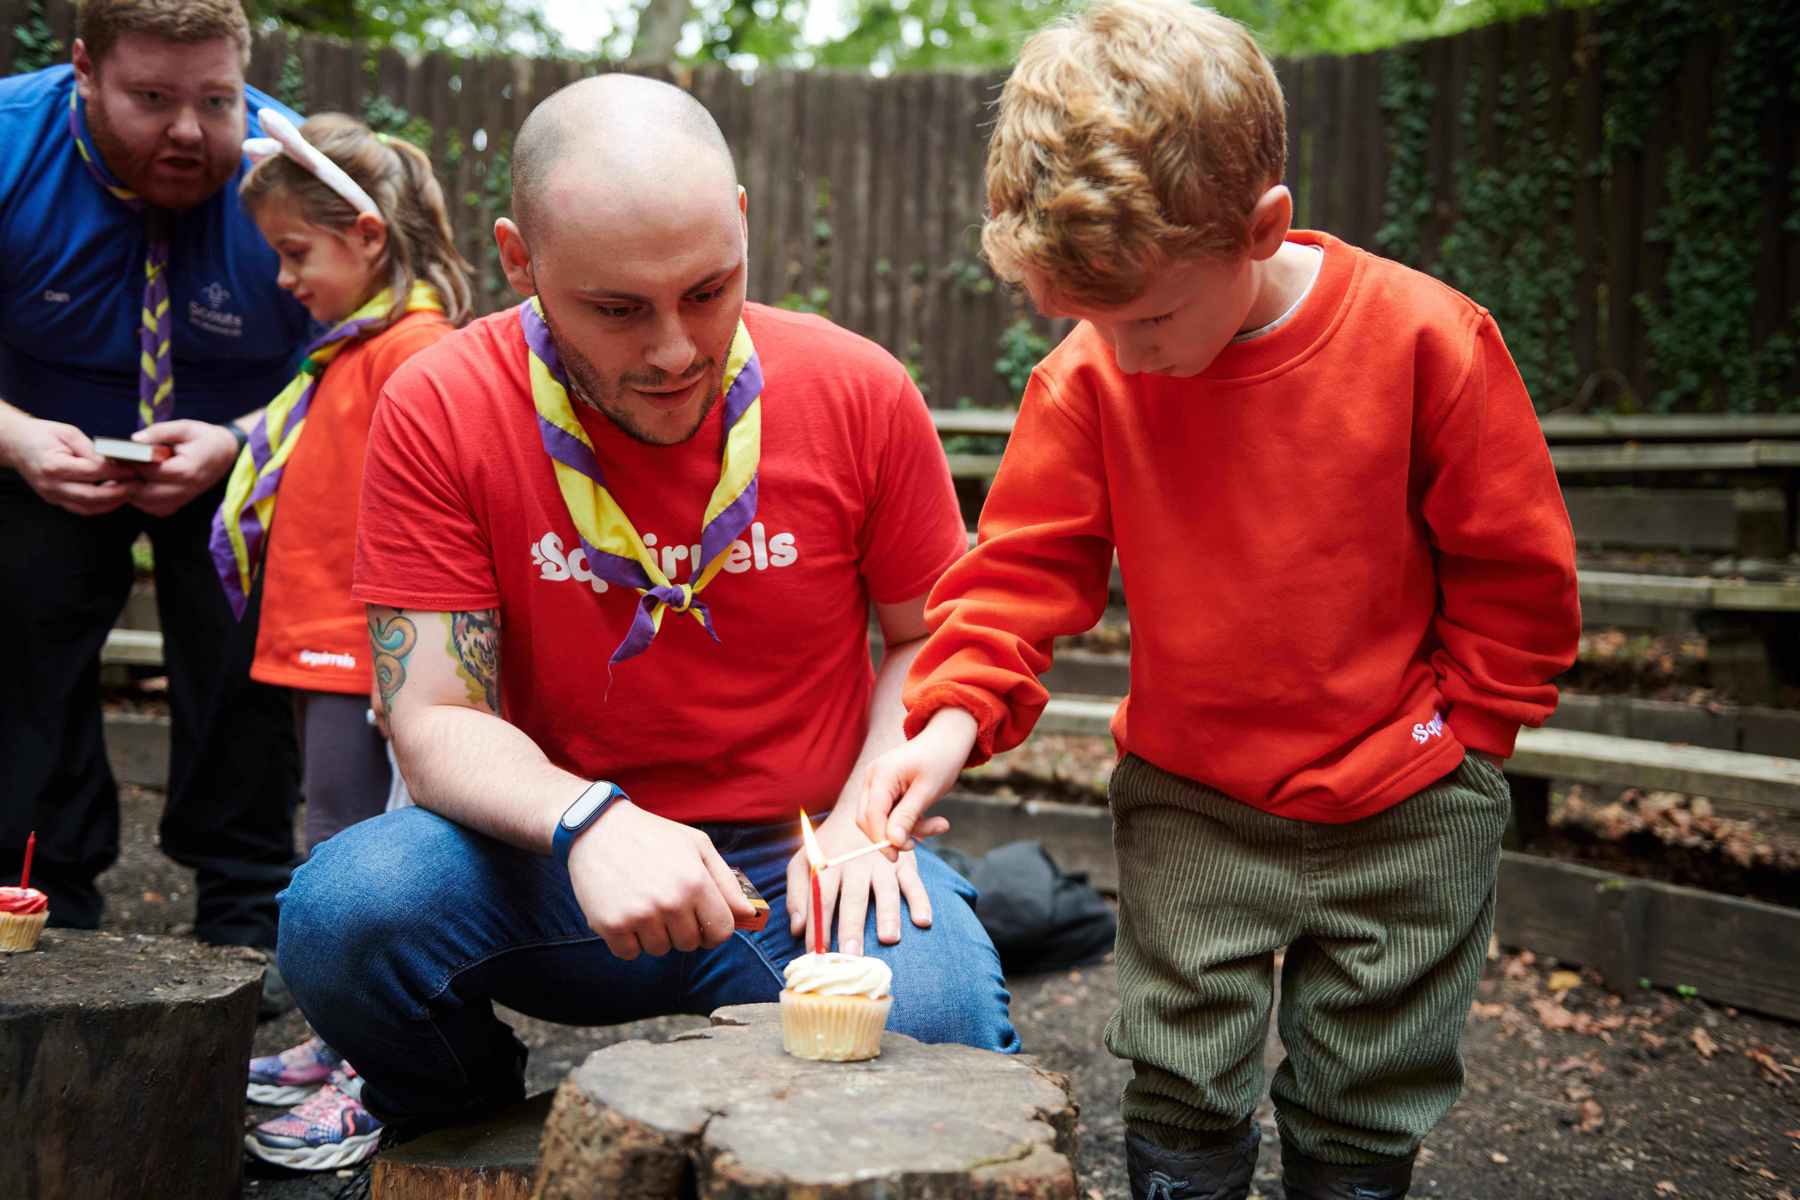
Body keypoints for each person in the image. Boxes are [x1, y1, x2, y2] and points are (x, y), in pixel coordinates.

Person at [857, 3, 1582, 1198]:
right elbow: (1022, 577)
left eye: (1147, 317)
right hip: (1195, 799)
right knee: (1181, 1074)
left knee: (1370, 1083)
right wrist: (945, 728)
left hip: (1407, 794)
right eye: (1085, 319)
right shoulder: (1091, 377)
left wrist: (1471, 738)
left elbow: (1517, 569)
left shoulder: (1427, 343)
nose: (1123, 353)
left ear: (1263, 227)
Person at [274, 73, 1018, 1153]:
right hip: (546, 858)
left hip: (798, 859)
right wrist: (589, 821)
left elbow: (924, 635)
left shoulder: (859, 388)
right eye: (618, 309)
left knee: (941, 1033)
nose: (675, 349)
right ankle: (471, 1133)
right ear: (520, 261)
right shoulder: (440, 403)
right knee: (344, 917)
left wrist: (868, 808)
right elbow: (430, 714)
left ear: (742, 226)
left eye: (709, 290)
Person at [0, 0, 309, 966]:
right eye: (152, 98)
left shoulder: (296, 171)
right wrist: (13, 441)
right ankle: (44, 888)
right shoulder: (8, 144)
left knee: (247, 638)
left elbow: (370, 357)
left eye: (217, 99)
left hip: (239, 446)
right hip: (36, 442)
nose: (189, 129)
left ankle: (246, 909)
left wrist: (239, 442)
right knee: (23, 623)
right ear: (84, 70)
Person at [204, 111, 472, 1170]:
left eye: (294, 254)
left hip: (369, 659)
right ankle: (334, 1042)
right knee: (331, 853)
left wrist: (403, 667)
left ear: (365, 236)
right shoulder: (357, 351)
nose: (281, 280)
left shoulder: (415, 354)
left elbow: (426, 525)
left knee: (365, 867)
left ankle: (375, 1067)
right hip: (327, 647)